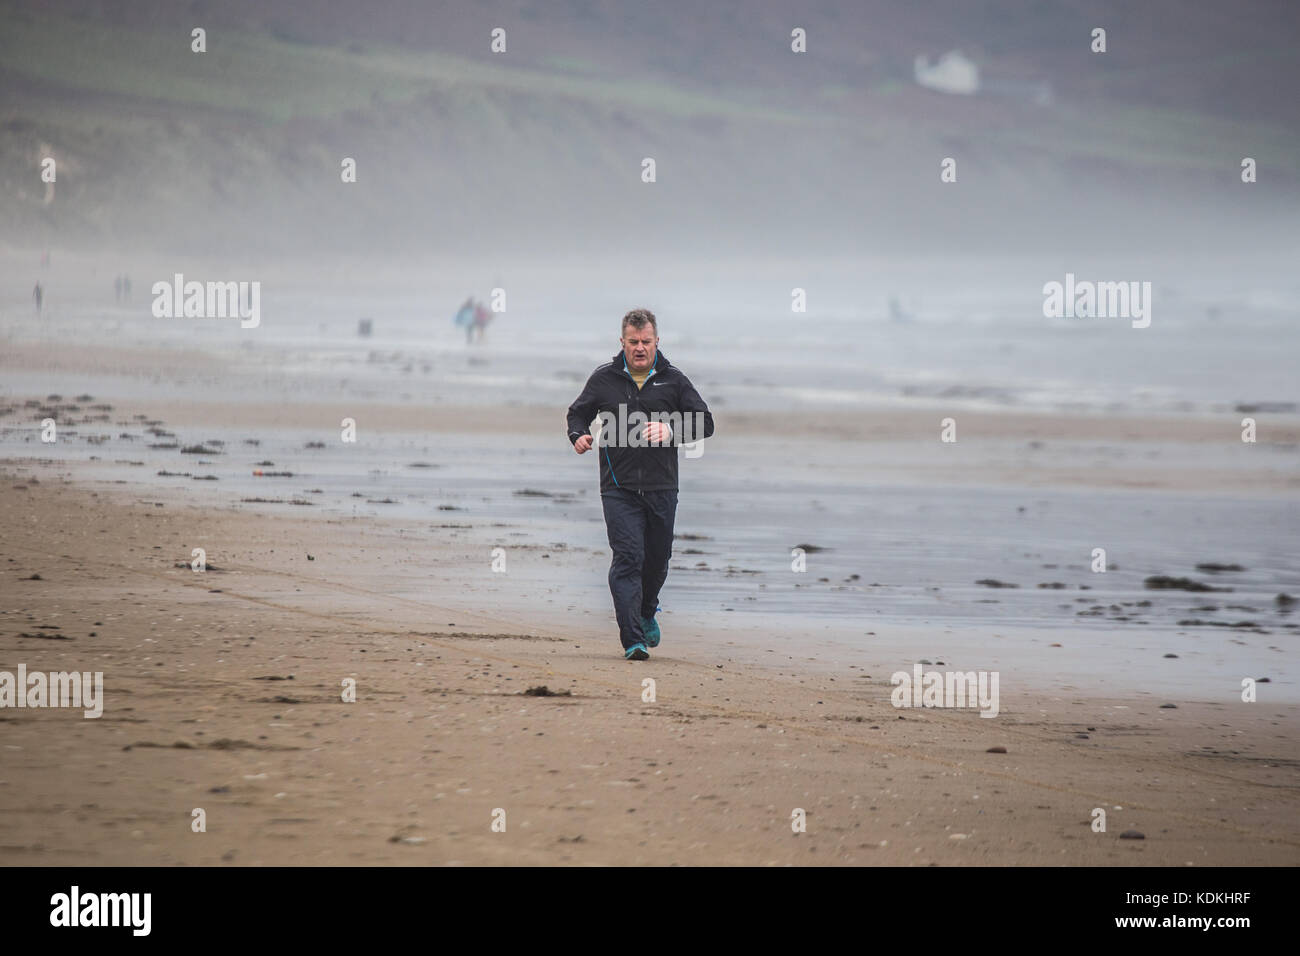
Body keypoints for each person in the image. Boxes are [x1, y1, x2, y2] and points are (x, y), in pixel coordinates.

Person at [566, 308, 715, 660]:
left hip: (663, 487)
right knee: (628, 558)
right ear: (622, 342)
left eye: (646, 342)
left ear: (656, 342)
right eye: (633, 342)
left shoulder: (674, 381)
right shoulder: (604, 379)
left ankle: (648, 610)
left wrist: (672, 430)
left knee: (657, 560)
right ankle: (632, 638)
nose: (639, 348)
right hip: (618, 487)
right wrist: (579, 435)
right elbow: (577, 413)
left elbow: (706, 422)